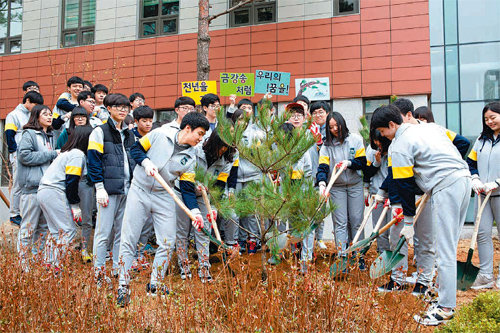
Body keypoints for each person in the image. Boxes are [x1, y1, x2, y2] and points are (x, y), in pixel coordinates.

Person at [371, 105, 471, 326]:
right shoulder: (430, 127)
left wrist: (408, 222)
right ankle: (444, 299)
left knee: (444, 251)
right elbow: (460, 143)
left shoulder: (399, 145)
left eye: (383, 131)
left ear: (391, 125)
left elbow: (404, 186)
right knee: (449, 246)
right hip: (463, 179)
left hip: (445, 186)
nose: (383, 136)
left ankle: (445, 309)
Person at [116, 112, 209, 306]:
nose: (200, 139)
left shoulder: (191, 157)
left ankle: (155, 284)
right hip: (139, 190)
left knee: (168, 241)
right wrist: (145, 162)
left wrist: (196, 212)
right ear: (188, 128)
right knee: (129, 238)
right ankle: (123, 285)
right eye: (199, 134)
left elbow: (186, 188)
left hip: (164, 195)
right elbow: (136, 149)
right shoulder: (160, 134)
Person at [176, 129, 237, 282]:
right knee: (183, 230)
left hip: (205, 195)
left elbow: (220, 185)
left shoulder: (227, 159)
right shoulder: (196, 151)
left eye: (226, 148)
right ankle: (183, 264)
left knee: (205, 229)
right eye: (220, 146)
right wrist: (195, 185)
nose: (222, 151)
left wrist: (214, 208)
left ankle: (204, 266)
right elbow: (184, 176)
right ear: (213, 143)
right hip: (183, 191)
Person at [87, 93, 136, 286]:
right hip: (108, 191)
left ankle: (118, 268)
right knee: (103, 233)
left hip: (126, 190)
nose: (123, 110)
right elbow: (93, 161)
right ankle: (99, 272)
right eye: (118, 106)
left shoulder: (129, 134)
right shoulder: (99, 132)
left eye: (125, 107)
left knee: (121, 233)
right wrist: (99, 187)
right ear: (108, 108)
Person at [316, 111, 367, 269]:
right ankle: (342, 256)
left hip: (354, 185)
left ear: (342, 124)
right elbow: (323, 167)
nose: (334, 129)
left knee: (356, 220)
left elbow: (362, 162)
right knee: (340, 222)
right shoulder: (327, 146)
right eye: (330, 127)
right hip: (336, 187)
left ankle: (358, 255)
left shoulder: (356, 140)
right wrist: (322, 184)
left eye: (336, 125)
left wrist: (349, 163)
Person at [38, 126, 93, 269]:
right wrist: (75, 205)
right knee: (68, 230)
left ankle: (48, 265)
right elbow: (71, 180)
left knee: (56, 231)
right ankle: (56, 267)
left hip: (44, 190)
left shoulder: (66, 152)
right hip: (54, 190)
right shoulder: (77, 154)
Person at [16, 105, 58, 271]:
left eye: (50, 114)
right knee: (28, 228)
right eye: (45, 114)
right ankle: (23, 265)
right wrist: (52, 154)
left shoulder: (49, 136)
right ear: (36, 116)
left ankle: (36, 261)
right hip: (31, 188)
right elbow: (24, 156)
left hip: (46, 189)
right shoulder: (29, 134)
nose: (49, 117)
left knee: (42, 228)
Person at [467, 102, 500, 290]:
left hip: (498, 191)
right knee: (482, 233)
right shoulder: (481, 139)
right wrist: (475, 178)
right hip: (482, 194)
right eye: (486, 119)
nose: (489, 121)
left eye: (493, 117)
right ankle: (486, 275)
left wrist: (497, 182)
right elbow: (471, 162)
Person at [4, 91, 44, 226]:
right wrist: (14, 154)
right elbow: (9, 135)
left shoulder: (33, 115)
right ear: (27, 100)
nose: (36, 107)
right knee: (18, 183)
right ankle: (14, 214)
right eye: (35, 104)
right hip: (19, 154)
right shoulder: (14, 115)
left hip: (32, 155)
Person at [363, 127, 391, 253]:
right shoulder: (371, 150)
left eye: (380, 141)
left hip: (393, 194)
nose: (378, 144)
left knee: (393, 228)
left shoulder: (394, 148)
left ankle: (395, 256)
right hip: (377, 193)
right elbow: (367, 173)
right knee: (379, 228)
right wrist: (377, 162)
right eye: (375, 141)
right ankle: (383, 254)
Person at [308, 101, 330, 249]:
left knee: (321, 209)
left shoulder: (332, 129)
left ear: (327, 113)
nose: (318, 115)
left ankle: (320, 238)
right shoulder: (308, 130)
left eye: (321, 112)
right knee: (309, 210)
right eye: (315, 112)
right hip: (310, 174)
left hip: (325, 175)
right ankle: (309, 238)